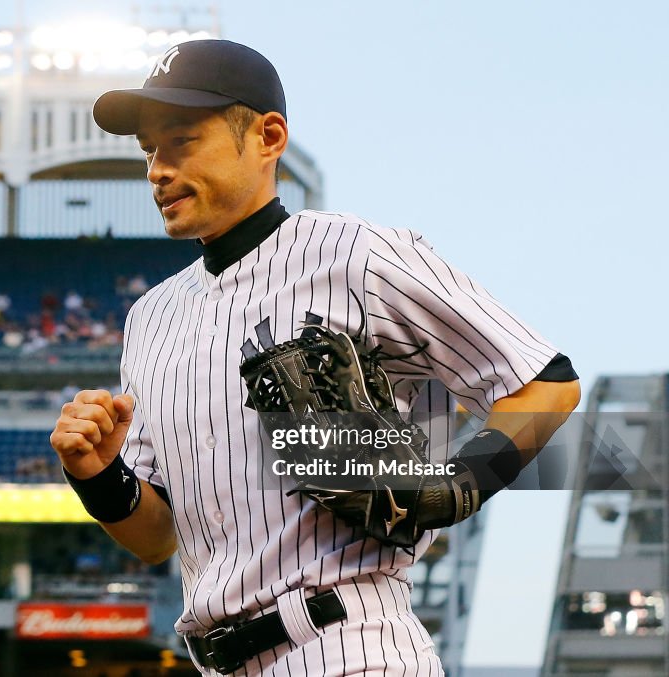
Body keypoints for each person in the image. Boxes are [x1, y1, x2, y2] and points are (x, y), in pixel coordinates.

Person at [49, 39, 580, 676]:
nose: (157, 169)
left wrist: (456, 487)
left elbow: (546, 383)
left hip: (349, 641)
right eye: (149, 151)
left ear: (268, 137)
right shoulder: (151, 317)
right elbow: (157, 535)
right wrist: (101, 475)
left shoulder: (353, 254)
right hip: (218, 660)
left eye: (182, 140)